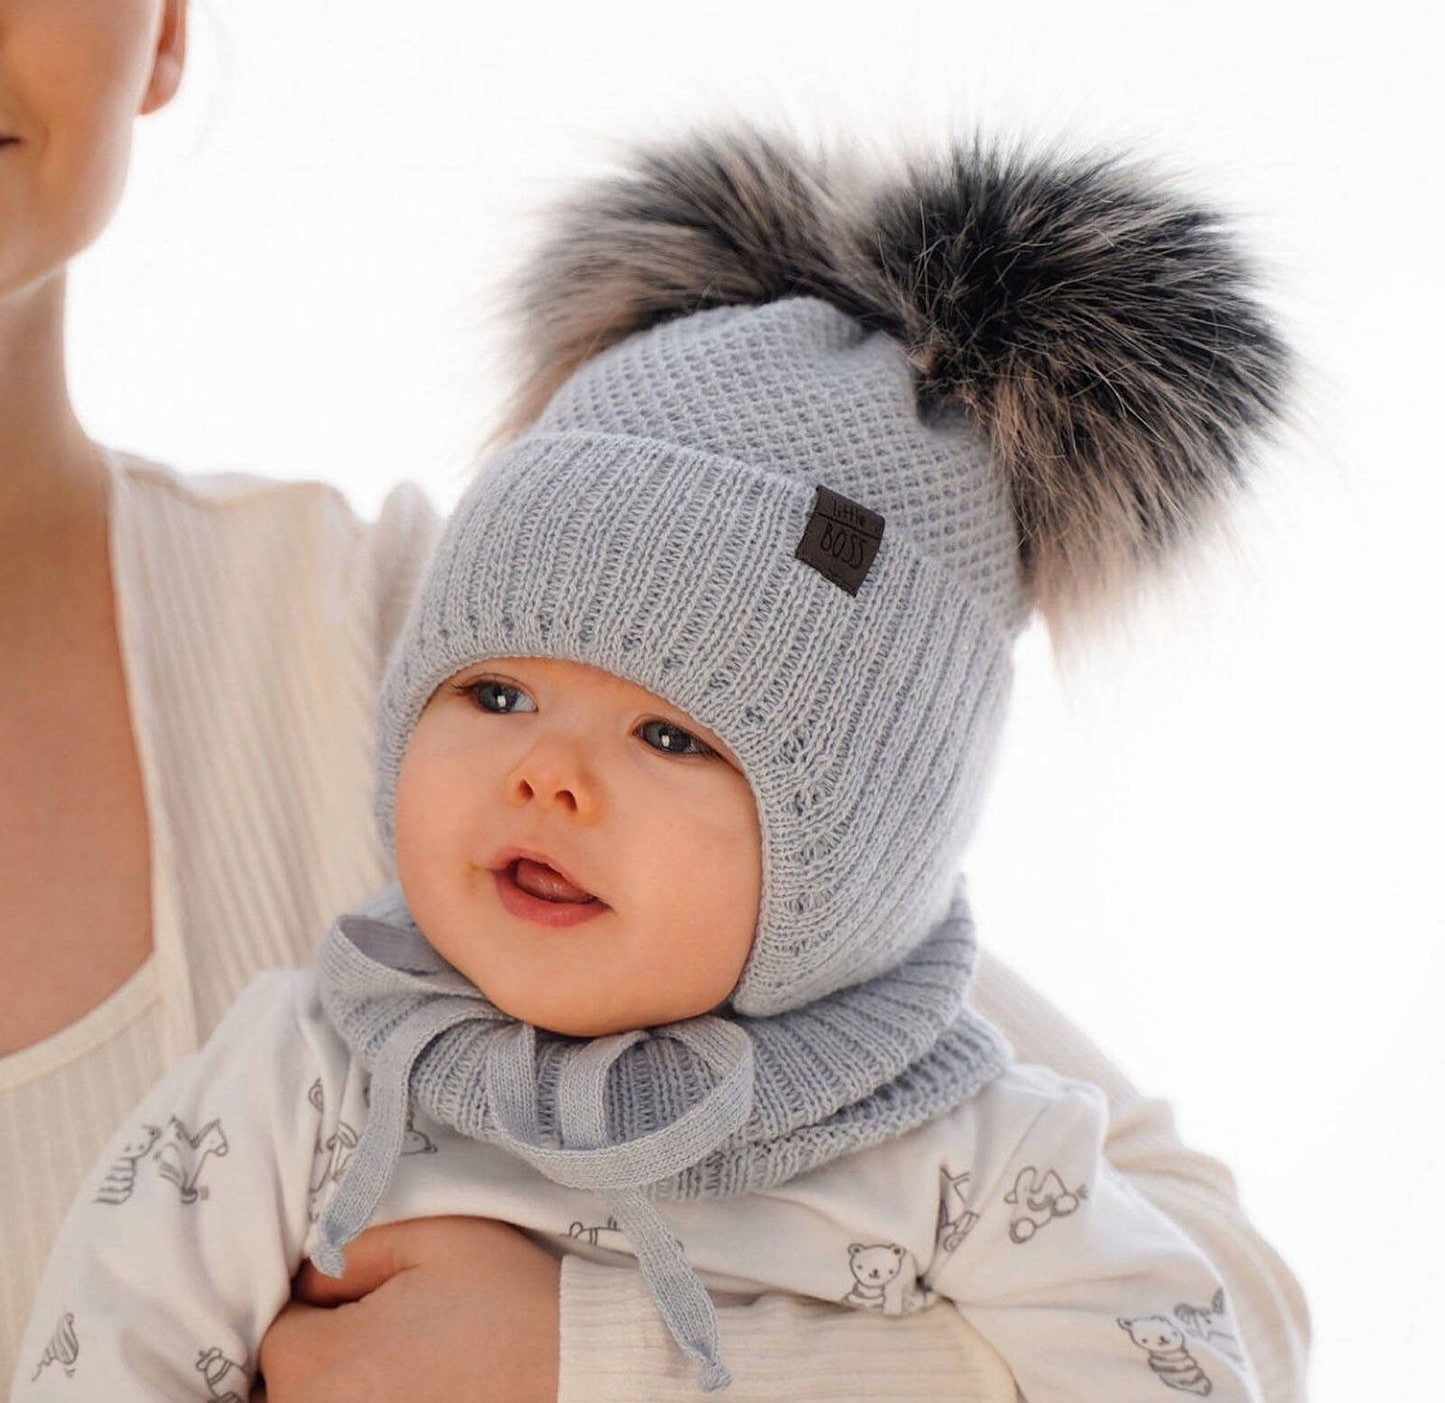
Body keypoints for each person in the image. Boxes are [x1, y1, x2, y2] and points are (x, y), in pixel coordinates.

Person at [14, 125, 1307, 1400]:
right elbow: (111, 1343)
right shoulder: (313, 1074)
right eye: (497, 691)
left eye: (673, 735)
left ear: (857, 857)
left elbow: (1195, 1350)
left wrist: (602, 1365)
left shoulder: (950, 1146)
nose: (549, 775)